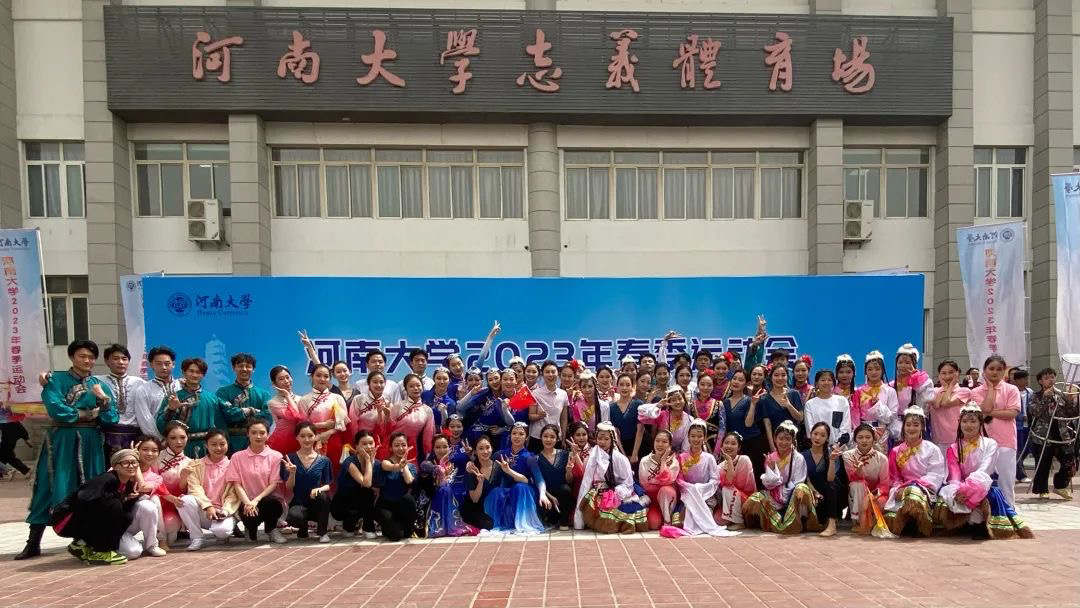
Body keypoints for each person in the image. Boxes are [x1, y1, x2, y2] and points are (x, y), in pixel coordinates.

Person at [17, 339, 117, 561]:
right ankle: (33, 542)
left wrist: (103, 400)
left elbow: (111, 417)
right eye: (82, 356)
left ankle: (83, 540)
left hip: (91, 441)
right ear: (72, 357)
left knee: (90, 487)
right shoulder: (56, 380)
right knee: (49, 484)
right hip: (62, 439)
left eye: (91, 357)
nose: (87, 360)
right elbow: (57, 409)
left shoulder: (99, 385)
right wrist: (89, 413)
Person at [936, 404, 1033, 539]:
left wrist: (969, 489)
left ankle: (978, 523)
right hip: (962, 488)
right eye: (965, 421)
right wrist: (959, 491)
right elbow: (954, 476)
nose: (968, 425)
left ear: (980, 423)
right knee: (945, 494)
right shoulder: (953, 448)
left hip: (984, 485)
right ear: (959, 423)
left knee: (981, 495)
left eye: (973, 421)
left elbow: (985, 469)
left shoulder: (990, 444)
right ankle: (964, 522)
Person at [53, 449, 142, 565]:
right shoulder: (108, 478)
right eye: (126, 463)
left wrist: (128, 499)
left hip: (84, 521)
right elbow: (85, 498)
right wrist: (118, 496)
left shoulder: (128, 485)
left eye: (134, 462)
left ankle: (81, 544)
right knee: (114, 505)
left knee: (126, 516)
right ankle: (102, 551)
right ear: (115, 466)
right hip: (65, 522)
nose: (131, 466)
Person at [742, 420, 820, 534]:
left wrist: (782, 493)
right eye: (781, 439)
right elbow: (769, 485)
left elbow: (798, 481)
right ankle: (773, 521)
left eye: (787, 439)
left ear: (792, 440)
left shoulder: (798, 458)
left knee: (801, 489)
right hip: (775, 494)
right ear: (775, 439)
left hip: (792, 494)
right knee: (755, 498)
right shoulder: (771, 458)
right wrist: (772, 469)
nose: (784, 442)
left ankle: (795, 522)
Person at [574, 421, 649, 534]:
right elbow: (587, 480)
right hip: (599, 491)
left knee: (610, 523)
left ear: (612, 440)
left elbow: (628, 482)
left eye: (606, 439)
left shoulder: (619, 458)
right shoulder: (593, 454)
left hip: (619, 492)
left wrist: (615, 492)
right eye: (599, 438)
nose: (602, 442)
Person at [883, 406, 945, 537]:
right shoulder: (896, 451)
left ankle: (921, 523)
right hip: (901, 489)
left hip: (925, 489)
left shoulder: (932, 449)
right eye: (908, 425)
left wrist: (912, 485)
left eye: (916, 425)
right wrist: (898, 488)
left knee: (913, 492)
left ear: (922, 427)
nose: (912, 428)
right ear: (903, 427)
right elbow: (894, 477)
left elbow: (935, 475)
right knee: (891, 515)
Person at [969, 355, 1022, 507]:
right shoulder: (976, 391)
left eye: (999, 369)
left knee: (1006, 480)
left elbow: (1012, 413)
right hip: (982, 442)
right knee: (982, 479)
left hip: (1005, 441)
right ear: (984, 371)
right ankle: (984, 513)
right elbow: (984, 409)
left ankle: (1009, 511)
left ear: (1004, 371)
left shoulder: (1011, 389)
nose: (995, 372)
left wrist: (988, 412)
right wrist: (991, 389)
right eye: (991, 369)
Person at [156, 358, 233, 458]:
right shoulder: (173, 397)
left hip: (207, 447)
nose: (195, 375)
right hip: (181, 446)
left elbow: (220, 425)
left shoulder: (212, 398)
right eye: (191, 371)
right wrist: (171, 410)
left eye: (198, 372)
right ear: (183, 372)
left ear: (203, 375)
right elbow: (161, 426)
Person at [226, 419, 287, 544]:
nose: (258, 436)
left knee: (271, 504)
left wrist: (256, 500)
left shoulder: (276, 456)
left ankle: (271, 529)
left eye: (262, 433)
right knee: (249, 517)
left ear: (268, 435)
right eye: (254, 433)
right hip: (246, 501)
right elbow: (237, 484)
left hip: (268, 500)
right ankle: (250, 529)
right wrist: (248, 502)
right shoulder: (237, 457)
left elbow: (273, 484)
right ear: (247, 434)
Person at [674, 420, 737, 537]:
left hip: (707, 495)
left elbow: (715, 479)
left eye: (699, 436)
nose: (696, 439)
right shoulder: (681, 457)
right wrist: (692, 488)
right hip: (688, 494)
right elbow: (679, 479)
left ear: (704, 438)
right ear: (688, 437)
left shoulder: (709, 458)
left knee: (707, 518)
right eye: (693, 436)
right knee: (683, 519)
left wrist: (701, 488)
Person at [179, 428, 238, 550]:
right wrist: (208, 506)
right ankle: (197, 537)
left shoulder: (233, 465)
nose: (218, 448)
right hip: (204, 511)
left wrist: (225, 511)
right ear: (206, 445)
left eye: (222, 444)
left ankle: (223, 531)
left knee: (222, 532)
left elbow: (234, 494)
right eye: (214, 444)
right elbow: (195, 489)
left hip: (224, 512)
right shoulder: (196, 465)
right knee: (185, 500)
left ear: (227, 444)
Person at [486, 423, 547, 534]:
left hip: (525, 492)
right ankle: (501, 523)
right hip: (506, 491)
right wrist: (470, 456)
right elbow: (485, 459)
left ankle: (524, 522)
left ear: (527, 437)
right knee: (496, 491)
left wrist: (543, 494)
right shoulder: (501, 454)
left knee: (520, 487)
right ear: (510, 436)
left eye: (521, 434)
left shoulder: (529, 457)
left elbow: (539, 479)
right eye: (514, 433)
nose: (517, 436)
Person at [1028, 367, 1077, 500]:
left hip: (1061, 434)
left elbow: (1070, 414)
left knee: (1070, 461)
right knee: (1043, 464)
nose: (1050, 380)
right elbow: (1035, 413)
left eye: (1052, 377)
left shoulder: (1061, 395)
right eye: (1046, 378)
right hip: (1044, 435)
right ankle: (1042, 489)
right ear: (1040, 381)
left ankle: (1060, 485)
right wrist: (1045, 398)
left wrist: (1071, 402)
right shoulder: (1036, 396)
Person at [96, 344, 151, 460]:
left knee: (132, 467)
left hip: (133, 434)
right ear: (107, 361)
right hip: (106, 435)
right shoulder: (98, 381)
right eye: (115, 359)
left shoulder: (140, 383)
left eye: (124, 359)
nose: (121, 362)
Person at [282, 422, 333, 542]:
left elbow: (327, 485)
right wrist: (292, 472)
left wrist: (319, 489)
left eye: (310, 436)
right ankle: (302, 529)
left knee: (323, 497)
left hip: (316, 503)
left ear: (315, 437)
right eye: (302, 436)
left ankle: (322, 533)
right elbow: (289, 487)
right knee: (295, 517)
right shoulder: (290, 459)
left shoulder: (324, 460)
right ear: (297, 437)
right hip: (299, 503)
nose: (307, 439)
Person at [215, 353, 273, 454]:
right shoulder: (223, 392)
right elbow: (227, 413)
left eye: (248, 366)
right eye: (240, 366)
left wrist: (239, 412)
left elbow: (268, 417)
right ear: (233, 368)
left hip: (257, 442)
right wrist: (252, 411)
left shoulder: (264, 394)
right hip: (230, 442)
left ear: (253, 369)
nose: (244, 369)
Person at [297, 364, 349, 474]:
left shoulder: (337, 398)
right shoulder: (304, 400)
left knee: (335, 472)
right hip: (312, 440)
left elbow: (344, 422)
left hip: (334, 440)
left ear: (330, 378)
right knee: (315, 473)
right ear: (312, 377)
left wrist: (329, 433)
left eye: (326, 376)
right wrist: (323, 425)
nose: (322, 379)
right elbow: (302, 425)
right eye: (318, 375)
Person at [123, 436, 168, 559]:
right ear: (137, 450)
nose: (149, 454)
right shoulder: (120, 467)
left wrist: (135, 462)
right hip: (115, 517)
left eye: (154, 450)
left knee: (151, 502)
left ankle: (152, 544)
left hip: (131, 522)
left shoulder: (156, 478)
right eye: (145, 449)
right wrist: (134, 460)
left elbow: (142, 486)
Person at [842, 424, 891, 536]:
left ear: (873, 439)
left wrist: (872, 495)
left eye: (868, 437)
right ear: (855, 439)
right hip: (857, 492)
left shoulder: (882, 458)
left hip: (877, 494)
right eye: (860, 437)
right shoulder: (848, 455)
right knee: (857, 485)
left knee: (880, 502)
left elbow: (884, 483)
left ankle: (871, 521)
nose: (864, 440)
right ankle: (858, 521)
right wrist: (859, 471)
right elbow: (852, 478)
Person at [801, 422, 847, 537]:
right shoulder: (802, 456)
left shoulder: (831, 454)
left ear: (827, 438)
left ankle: (832, 525)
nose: (818, 438)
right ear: (810, 434)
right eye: (815, 434)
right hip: (812, 494)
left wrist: (832, 460)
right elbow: (805, 479)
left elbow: (830, 479)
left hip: (830, 494)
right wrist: (815, 492)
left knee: (831, 485)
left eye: (822, 435)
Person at [419, 434, 470, 538]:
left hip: (449, 500)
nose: (442, 450)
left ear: (449, 448)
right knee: (445, 490)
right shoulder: (428, 464)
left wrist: (470, 455)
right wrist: (439, 468)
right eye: (438, 447)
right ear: (433, 449)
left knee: (452, 492)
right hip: (430, 503)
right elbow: (424, 468)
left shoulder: (452, 464)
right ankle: (437, 526)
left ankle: (449, 525)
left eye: (445, 447)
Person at [331, 430, 378, 538]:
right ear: (356, 446)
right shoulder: (349, 462)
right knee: (366, 490)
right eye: (364, 444)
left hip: (362, 503)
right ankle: (348, 527)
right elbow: (366, 483)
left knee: (369, 494)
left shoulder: (377, 463)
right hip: (343, 505)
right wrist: (368, 461)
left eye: (371, 443)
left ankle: (368, 528)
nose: (368, 447)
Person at [130, 345, 183, 441]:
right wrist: (160, 440)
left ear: (173, 364)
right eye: (158, 364)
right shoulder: (144, 390)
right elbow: (145, 419)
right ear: (151, 365)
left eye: (167, 363)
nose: (163, 367)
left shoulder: (182, 386)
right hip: (157, 442)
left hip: (182, 441)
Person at [374, 432, 418, 542]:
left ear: (408, 447)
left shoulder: (411, 466)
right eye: (396, 445)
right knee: (396, 536)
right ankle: (389, 526)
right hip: (386, 505)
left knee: (409, 499)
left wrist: (404, 466)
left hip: (402, 506)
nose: (400, 448)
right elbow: (388, 467)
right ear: (391, 448)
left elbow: (409, 481)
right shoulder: (385, 463)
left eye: (403, 445)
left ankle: (402, 526)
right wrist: (399, 466)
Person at [729, 366, 769, 486]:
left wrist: (752, 404)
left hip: (753, 443)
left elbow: (748, 423)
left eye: (741, 380)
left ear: (747, 384)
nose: (736, 382)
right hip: (735, 445)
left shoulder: (750, 400)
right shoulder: (724, 402)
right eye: (734, 378)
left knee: (754, 477)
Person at [852, 351, 898, 451]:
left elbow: (892, 417)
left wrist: (878, 405)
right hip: (863, 434)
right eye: (870, 369)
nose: (873, 372)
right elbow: (855, 417)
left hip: (882, 434)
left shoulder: (890, 391)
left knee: (880, 460)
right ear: (865, 371)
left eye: (877, 369)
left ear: (882, 370)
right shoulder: (858, 391)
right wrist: (858, 434)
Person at [157, 421, 193, 546]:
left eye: (182, 437)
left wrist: (183, 478)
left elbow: (186, 491)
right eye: (173, 438)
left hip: (176, 507)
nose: (178, 442)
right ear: (166, 439)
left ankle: (180, 528)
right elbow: (152, 483)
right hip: (158, 503)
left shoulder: (190, 462)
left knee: (170, 531)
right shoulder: (156, 457)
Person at [456, 369, 515, 445]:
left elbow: (512, 422)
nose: (494, 382)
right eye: (490, 380)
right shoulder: (484, 392)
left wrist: (503, 429)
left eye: (496, 378)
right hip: (479, 432)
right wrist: (471, 394)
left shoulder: (508, 395)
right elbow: (459, 407)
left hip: (499, 435)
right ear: (487, 382)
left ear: (501, 379)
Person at [890, 344, 936, 439]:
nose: (903, 366)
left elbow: (928, 399)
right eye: (900, 362)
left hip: (917, 425)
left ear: (914, 364)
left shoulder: (925, 382)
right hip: (896, 428)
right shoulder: (891, 385)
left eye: (907, 363)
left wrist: (916, 380)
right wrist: (900, 430)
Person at [638, 429, 680, 530]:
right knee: (653, 524)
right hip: (652, 499)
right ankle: (659, 515)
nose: (660, 444)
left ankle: (667, 521)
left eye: (664, 442)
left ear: (670, 445)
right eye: (657, 441)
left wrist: (663, 460)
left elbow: (666, 481)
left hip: (667, 496)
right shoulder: (645, 461)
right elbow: (643, 483)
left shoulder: (673, 462)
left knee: (665, 490)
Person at [757, 364, 805, 452]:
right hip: (776, 442)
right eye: (776, 375)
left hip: (793, 441)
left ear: (787, 377)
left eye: (783, 375)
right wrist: (772, 446)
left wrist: (789, 405)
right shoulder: (764, 399)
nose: (780, 378)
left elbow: (800, 418)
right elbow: (767, 424)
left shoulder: (794, 394)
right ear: (771, 377)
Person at [535, 424, 574, 530]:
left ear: (557, 439)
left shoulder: (565, 454)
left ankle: (564, 522)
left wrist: (569, 471)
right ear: (540, 437)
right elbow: (536, 482)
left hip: (563, 495)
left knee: (566, 489)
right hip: (547, 496)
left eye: (552, 437)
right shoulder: (536, 458)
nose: (548, 439)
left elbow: (569, 481)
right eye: (545, 436)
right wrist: (551, 497)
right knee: (551, 519)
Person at [390, 374, 435, 464]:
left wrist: (428, 455)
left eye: (418, 385)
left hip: (413, 451)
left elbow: (428, 436)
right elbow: (389, 430)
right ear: (405, 389)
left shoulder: (427, 410)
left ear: (422, 387)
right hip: (394, 450)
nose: (416, 388)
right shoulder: (398, 406)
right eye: (411, 386)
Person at [715, 431, 756, 531]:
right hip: (730, 500)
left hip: (747, 500)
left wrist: (729, 461)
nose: (729, 446)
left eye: (733, 443)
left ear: (739, 447)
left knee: (727, 489)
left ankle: (739, 522)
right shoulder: (720, 466)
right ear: (722, 445)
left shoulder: (744, 460)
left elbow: (738, 485)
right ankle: (732, 518)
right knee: (717, 520)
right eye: (726, 443)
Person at [929, 360, 970, 455]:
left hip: (958, 438)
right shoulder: (934, 391)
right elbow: (936, 405)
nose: (947, 376)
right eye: (943, 373)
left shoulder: (964, 391)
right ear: (939, 375)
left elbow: (946, 403)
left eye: (951, 372)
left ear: (957, 373)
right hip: (938, 439)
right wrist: (945, 389)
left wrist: (950, 386)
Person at [348, 370, 391, 459]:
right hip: (361, 441)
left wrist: (386, 415)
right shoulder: (359, 399)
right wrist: (356, 442)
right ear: (369, 384)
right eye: (375, 382)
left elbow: (386, 430)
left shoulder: (388, 403)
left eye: (381, 382)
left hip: (379, 444)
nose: (378, 385)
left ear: (385, 384)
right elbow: (353, 423)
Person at [803, 370, 853, 447]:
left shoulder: (842, 401)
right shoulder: (810, 404)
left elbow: (846, 427)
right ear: (817, 383)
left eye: (829, 380)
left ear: (833, 383)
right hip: (817, 447)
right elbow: (810, 428)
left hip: (838, 447)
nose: (826, 383)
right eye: (823, 380)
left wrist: (836, 445)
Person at [528, 361, 568, 454]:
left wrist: (563, 438)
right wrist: (539, 416)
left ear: (558, 373)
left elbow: (563, 419)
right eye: (547, 372)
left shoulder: (563, 394)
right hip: (538, 438)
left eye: (553, 372)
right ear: (542, 374)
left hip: (556, 438)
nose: (550, 375)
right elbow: (530, 416)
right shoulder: (535, 393)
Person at [638, 386, 692, 455]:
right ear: (669, 402)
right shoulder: (661, 415)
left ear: (684, 400)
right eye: (673, 400)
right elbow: (641, 413)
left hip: (678, 454)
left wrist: (681, 457)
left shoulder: (689, 419)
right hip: (658, 451)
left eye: (680, 399)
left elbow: (686, 445)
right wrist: (658, 406)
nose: (677, 402)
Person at [266, 365, 305, 455]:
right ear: (274, 383)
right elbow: (295, 416)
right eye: (281, 379)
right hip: (281, 443)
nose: (286, 381)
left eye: (288, 377)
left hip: (301, 441)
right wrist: (287, 395)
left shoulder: (301, 399)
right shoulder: (273, 402)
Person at [462, 435, 497, 531]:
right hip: (477, 508)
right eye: (481, 448)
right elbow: (474, 499)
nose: (485, 452)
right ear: (475, 451)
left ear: (492, 448)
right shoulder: (471, 469)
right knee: (489, 525)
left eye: (488, 447)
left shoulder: (499, 466)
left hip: (494, 506)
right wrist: (480, 483)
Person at [609, 373, 645, 462]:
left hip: (640, 446)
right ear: (617, 387)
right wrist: (623, 454)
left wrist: (635, 453)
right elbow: (616, 432)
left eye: (628, 385)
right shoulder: (612, 407)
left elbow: (640, 430)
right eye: (621, 385)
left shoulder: (638, 404)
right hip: (622, 447)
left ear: (632, 387)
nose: (624, 388)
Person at [1012, 369, 1034, 482]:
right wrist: (1020, 417)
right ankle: (1021, 475)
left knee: (1027, 449)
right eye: (1024, 379)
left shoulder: (1030, 392)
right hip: (1017, 426)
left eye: (1027, 378)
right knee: (1018, 449)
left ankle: (1016, 468)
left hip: (1029, 425)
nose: (1026, 381)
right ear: (1017, 380)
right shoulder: (1012, 392)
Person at [693, 371, 723, 450]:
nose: (705, 388)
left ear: (713, 386)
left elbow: (722, 429)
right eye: (702, 384)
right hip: (695, 444)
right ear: (698, 385)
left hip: (713, 444)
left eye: (709, 385)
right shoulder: (691, 405)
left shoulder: (719, 404)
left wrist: (717, 450)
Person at [0, 402, 31, 479]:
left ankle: (25, 470)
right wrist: (26, 438)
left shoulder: (6, 417)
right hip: (9, 440)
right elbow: (21, 428)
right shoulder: (6, 417)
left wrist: (26, 439)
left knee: (9, 457)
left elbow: (20, 428)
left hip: (8, 440)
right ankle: (3, 472)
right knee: (4, 456)